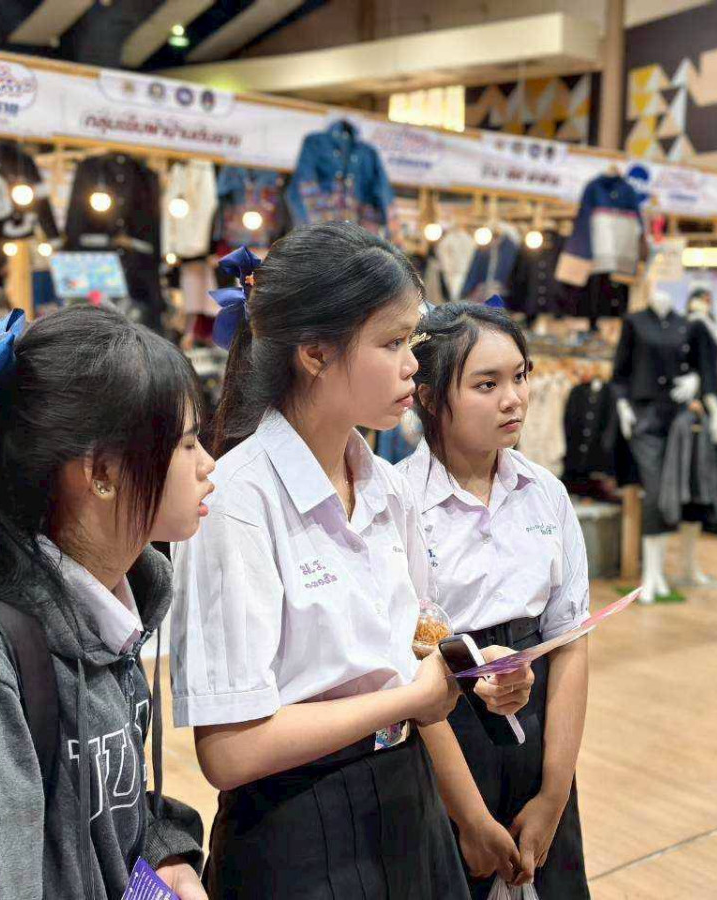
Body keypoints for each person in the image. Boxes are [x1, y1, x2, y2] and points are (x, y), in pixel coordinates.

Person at [169, 226, 533, 899]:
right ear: (314, 353)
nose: (413, 365)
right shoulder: (238, 500)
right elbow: (229, 751)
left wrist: (471, 670)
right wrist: (406, 699)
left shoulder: (388, 488)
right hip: (299, 830)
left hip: (408, 805)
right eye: (391, 343)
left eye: (411, 341)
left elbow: (413, 641)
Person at [0, 306, 210, 899]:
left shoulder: (115, 616)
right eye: (187, 444)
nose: (208, 465)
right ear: (101, 471)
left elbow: (110, 809)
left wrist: (167, 854)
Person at [400, 303, 592, 898]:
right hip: (443, 737)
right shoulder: (397, 502)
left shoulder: (546, 493)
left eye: (520, 376)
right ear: (430, 397)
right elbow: (408, 667)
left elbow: (570, 644)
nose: (514, 399)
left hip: (538, 731)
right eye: (487, 384)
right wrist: (472, 820)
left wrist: (554, 794)